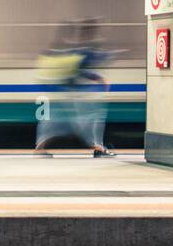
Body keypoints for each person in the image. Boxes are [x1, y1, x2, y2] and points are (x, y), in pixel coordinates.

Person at [33, 22, 114, 157]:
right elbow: (77, 70)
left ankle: (39, 148)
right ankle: (98, 148)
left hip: (51, 91)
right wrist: (98, 78)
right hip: (67, 91)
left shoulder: (52, 49)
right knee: (89, 120)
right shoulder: (70, 51)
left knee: (50, 122)